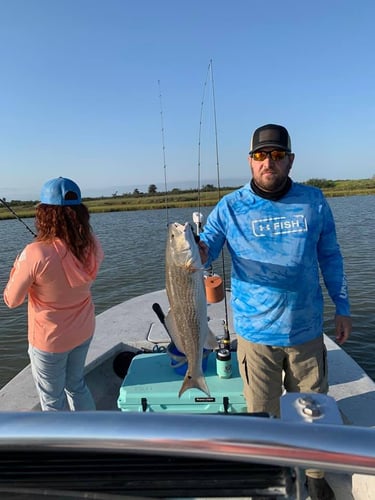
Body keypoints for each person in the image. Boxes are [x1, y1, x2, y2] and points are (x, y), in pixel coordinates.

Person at [199, 124, 352, 500]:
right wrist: (191, 247)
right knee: (261, 415)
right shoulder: (230, 207)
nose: (269, 161)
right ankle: (267, 476)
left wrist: (342, 307)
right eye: (260, 155)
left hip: (306, 331)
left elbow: (330, 256)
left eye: (277, 155)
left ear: (290, 160)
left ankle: (315, 475)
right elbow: (205, 251)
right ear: (250, 161)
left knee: (312, 411)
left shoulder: (314, 200)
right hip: (255, 335)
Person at [4, 177, 104, 411]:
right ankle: (90, 433)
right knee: (77, 385)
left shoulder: (35, 253)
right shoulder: (93, 245)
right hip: (83, 331)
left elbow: (11, 300)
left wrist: (18, 265)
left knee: (52, 401)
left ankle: (63, 445)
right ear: (80, 212)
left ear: (44, 215)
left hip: (50, 342)